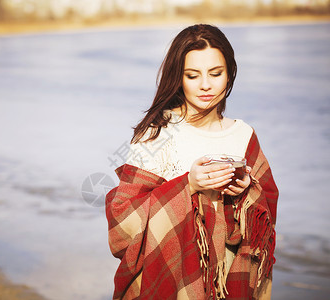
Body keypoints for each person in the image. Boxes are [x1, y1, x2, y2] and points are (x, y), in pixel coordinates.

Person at [106, 24, 278, 300]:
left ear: (230, 74)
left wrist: (247, 190)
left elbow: (266, 216)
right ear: (179, 77)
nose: (206, 85)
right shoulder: (157, 134)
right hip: (171, 281)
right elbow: (122, 221)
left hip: (230, 282)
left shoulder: (243, 135)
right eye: (192, 75)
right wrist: (189, 185)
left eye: (216, 73)